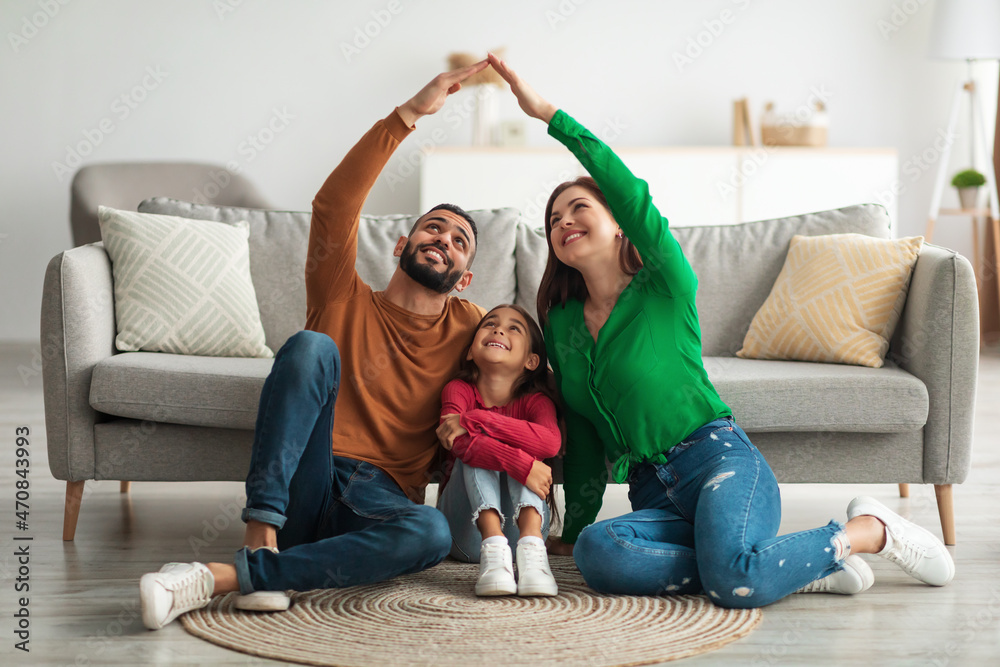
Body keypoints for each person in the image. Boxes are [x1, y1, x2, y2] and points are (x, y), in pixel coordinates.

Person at [487, 52, 955, 608]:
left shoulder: (664, 282)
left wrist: (548, 115)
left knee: (735, 584)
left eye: (578, 207)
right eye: (553, 220)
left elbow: (631, 190)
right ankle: (784, 563)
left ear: (617, 224)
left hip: (717, 462)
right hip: (649, 492)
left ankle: (871, 532)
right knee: (598, 553)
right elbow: (585, 435)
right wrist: (576, 525)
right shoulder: (562, 323)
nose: (563, 221)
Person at [139, 59, 493, 631]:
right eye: (433, 228)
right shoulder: (342, 295)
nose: (443, 240)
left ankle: (235, 576)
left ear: (465, 277)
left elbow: (525, 364)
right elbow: (334, 206)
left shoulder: (472, 329)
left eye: (459, 241)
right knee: (310, 345)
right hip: (310, 473)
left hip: (378, 501)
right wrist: (408, 116)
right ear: (403, 242)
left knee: (430, 532)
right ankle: (261, 536)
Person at [435, 304, 563, 596]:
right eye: (490, 323)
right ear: (470, 351)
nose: (499, 329)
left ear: (532, 361)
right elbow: (454, 441)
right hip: (465, 534)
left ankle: (533, 558)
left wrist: (474, 420)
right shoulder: (458, 390)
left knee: (520, 443)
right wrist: (521, 464)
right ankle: (493, 550)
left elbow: (549, 443)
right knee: (473, 451)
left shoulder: (536, 402)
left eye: (513, 328)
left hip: (525, 534)